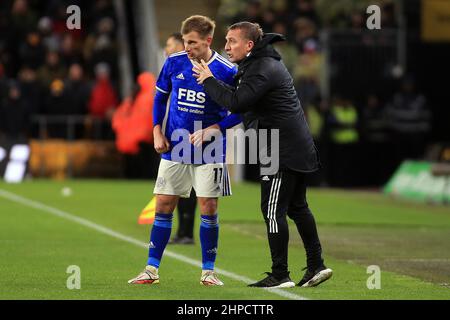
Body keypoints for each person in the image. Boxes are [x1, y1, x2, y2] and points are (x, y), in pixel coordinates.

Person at [193, 21, 332, 288]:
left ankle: (280, 274)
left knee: (272, 210)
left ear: (249, 45)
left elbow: (236, 102)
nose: (226, 46)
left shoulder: (262, 68)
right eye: (226, 40)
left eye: (232, 41)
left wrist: (208, 79)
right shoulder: (262, 63)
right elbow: (240, 99)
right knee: (297, 207)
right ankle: (316, 265)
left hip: (280, 150)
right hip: (294, 146)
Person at [128, 15, 241, 286]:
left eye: (192, 42)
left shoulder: (228, 70)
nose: (187, 47)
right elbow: (160, 96)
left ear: (207, 41)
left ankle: (208, 272)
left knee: (209, 206)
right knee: (164, 204)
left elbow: (242, 109)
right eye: (185, 41)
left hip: (211, 149)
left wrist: (217, 128)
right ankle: (151, 270)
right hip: (175, 145)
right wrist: (156, 129)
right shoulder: (173, 62)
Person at [164, 32, 197, 245]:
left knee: (189, 186)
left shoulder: (191, 68)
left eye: (169, 44)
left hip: (191, 135)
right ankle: (183, 232)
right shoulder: (172, 68)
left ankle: (187, 232)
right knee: (176, 185)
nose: (166, 49)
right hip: (175, 134)